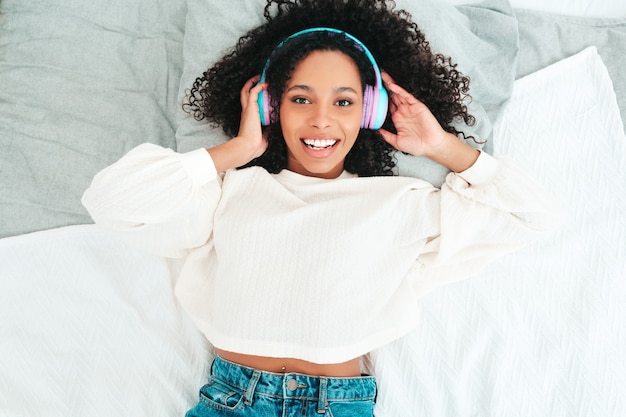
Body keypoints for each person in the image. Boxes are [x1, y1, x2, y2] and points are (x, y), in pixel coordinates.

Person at [82, 0, 560, 415]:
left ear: (370, 113)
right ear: (272, 107)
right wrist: (235, 151)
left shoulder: (400, 203)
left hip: (340, 405)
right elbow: (110, 201)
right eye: (300, 98)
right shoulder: (229, 191)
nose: (321, 119)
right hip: (231, 402)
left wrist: (439, 146)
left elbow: (532, 215)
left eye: (344, 101)